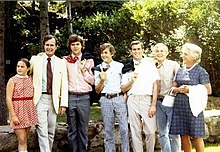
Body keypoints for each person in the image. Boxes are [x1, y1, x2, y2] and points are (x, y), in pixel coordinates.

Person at [170, 43, 212, 152]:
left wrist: (190, 89)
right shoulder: (180, 70)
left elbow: (208, 90)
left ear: (194, 56)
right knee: (183, 135)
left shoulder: (200, 71)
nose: (183, 56)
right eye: (183, 54)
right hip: (180, 107)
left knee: (196, 136)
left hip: (194, 108)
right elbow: (172, 88)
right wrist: (178, 90)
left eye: (185, 54)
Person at [30, 35, 68, 152]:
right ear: (43, 46)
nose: (49, 47)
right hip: (40, 98)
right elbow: (27, 74)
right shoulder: (35, 60)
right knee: (42, 130)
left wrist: (63, 104)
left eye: (52, 45)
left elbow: (64, 84)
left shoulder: (61, 62)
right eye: (47, 45)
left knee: (51, 131)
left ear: (56, 47)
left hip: (54, 100)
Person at [121, 40, 160, 152]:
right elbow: (123, 88)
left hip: (146, 99)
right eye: (134, 49)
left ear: (142, 50)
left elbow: (155, 86)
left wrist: (153, 105)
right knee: (135, 131)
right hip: (132, 99)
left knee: (151, 131)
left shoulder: (150, 64)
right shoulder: (127, 66)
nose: (136, 51)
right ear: (130, 51)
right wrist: (131, 81)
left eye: (139, 49)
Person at [94, 43, 129, 152]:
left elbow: (124, 84)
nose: (104, 55)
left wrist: (125, 95)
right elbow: (97, 90)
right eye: (102, 53)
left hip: (119, 98)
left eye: (106, 52)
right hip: (105, 99)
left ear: (112, 53)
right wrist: (102, 79)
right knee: (108, 129)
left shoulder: (120, 66)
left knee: (124, 128)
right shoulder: (98, 68)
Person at [64, 34, 94, 152]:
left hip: (84, 97)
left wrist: (84, 71)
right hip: (70, 96)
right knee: (72, 129)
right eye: (73, 44)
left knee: (83, 129)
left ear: (82, 46)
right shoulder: (65, 61)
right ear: (69, 46)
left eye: (78, 44)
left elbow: (92, 81)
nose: (75, 47)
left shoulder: (89, 61)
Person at [151, 43, 181, 152]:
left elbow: (180, 79)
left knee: (174, 132)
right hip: (158, 103)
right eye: (157, 51)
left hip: (171, 101)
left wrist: (174, 85)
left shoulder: (173, 64)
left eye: (162, 51)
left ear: (166, 53)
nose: (159, 53)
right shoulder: (152, 66)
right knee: (162, 132)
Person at [6, 58, 38, 152]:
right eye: (18, 66)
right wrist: (13, 115)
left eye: (22, 67)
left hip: (28, 111)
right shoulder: (12, 80)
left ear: (28, 68)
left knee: (25, 140)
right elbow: (8, 98)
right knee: (21, 139)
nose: (19, 68)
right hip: (17, 111)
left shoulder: (31, 79)